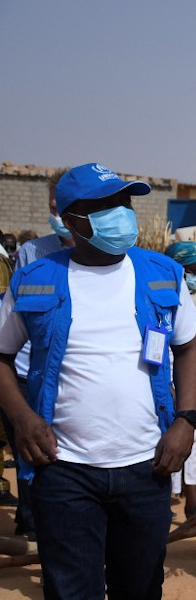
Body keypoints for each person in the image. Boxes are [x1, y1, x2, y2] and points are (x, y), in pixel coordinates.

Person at [0, 162, 196, 600]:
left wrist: (186, 420)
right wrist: (22, 417)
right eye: (106, 205)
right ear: (72, 221)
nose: (122, 214)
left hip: (146, 467)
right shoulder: (35, 278)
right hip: (64, 470)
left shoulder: (162, 273)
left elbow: (189, 349)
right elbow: (1, 356)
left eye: (125, 202)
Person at [0, 175, 76, 540]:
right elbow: (18, 321)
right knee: (32, 449)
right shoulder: (33, 254)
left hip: (72, 377)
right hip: (31, 370)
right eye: (52, 208)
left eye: (61, 208)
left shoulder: (111, 258)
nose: (56, 214)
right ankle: (34, 522)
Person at [163, 241, 196, 520]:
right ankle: (168, 494)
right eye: (193, 270)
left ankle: (191, 492)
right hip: (168, 379)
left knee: (193, 432)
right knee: (168, 434)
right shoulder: (165, 296)